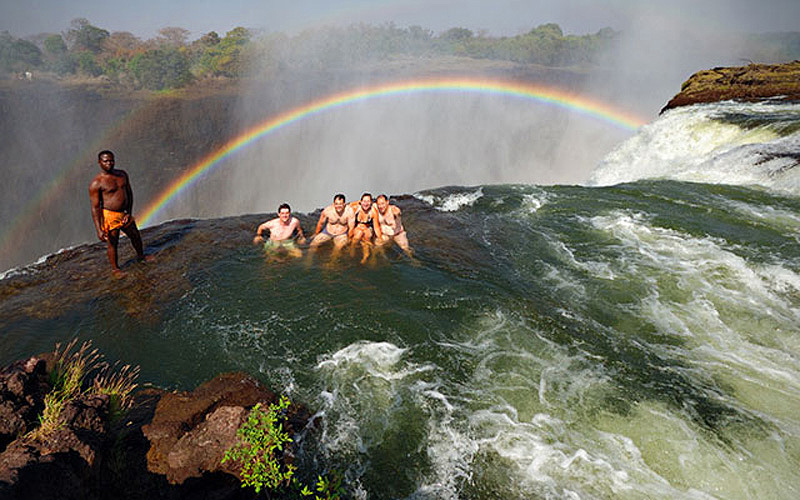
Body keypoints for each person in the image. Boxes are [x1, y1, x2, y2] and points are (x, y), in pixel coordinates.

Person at [89, 150, 150, 277]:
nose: (109, 163)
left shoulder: (122, 175)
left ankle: (141, 255)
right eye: (106, 161)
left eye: (111, 160)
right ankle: (115, 269)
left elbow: (129, 193)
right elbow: (95, 207)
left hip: (124, 213)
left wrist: (129, 212)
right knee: (113, 242)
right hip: (110, 215)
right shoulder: (97, 183)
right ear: (99, 162)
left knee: (135, 235)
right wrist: (99, 230)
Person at [349, 193, 382, 264]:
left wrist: (380, 238)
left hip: (367, 227)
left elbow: (376, 227)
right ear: (360, 202)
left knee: (367, 237)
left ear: (371, 203)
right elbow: (349, 221)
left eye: (368, 201)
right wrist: (349, 234)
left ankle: (366, 256)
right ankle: (352, 249)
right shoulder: (355, 208)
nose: (366, 204)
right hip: (357, 226)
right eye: (364, 201)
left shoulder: (373, 212)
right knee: (358, 235)